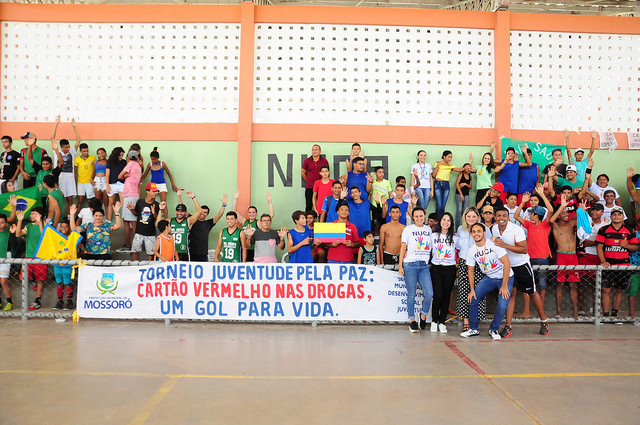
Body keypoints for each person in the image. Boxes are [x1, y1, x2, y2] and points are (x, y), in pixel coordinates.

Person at [491, 207, 549, 338]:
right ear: (495, 217)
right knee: (511, 293)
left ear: (508, 217)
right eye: (499, 215)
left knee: (532, 292)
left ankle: (544, 321)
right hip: (507, 267)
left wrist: (504, 245)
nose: (501, 218)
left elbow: (524, 249)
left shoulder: (516, 230)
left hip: (521, 265)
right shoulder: (494, 229)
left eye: (504, 216)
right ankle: (508, 326)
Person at [460, 222, 514, 340]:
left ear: (484, 233)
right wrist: (472, 290)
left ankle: (494, 329)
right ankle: (473, 328)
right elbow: (470, 271)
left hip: (505, 277)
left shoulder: (494, 244)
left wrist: (504, 286)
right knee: (473, 299)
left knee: (502, 305)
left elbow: (507, 263)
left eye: (479, 231)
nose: (476, 234)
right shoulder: (472, 250)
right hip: (489, 277)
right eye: (474, 232)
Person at [514, 185, 554, 318]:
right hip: (529, 258)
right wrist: (523, 202)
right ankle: (526, 311)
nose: (529, 214)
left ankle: (539, 311)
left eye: (531, 213)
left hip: (542, 258)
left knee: (542, 286)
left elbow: (551, 209)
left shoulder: (545, 224)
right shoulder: (529, 224)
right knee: (527, 285)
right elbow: (515, 215)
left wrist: (542, 195)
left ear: (536, 216)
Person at [596, 206, 639, 317]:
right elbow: (599, 247)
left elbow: (635, 247)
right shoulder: (603, 230)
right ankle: (605, 316)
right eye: (614, 214)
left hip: (623, 265)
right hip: (608, 265)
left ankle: (614, 315)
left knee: (619, 290)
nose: (616, 216)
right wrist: (603, 261)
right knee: (605, 290)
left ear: (623, 217)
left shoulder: (630, 230)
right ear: (610, 216)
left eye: (619, 214)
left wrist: (626, 245)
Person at [398, 207, 433, 333]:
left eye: (421, 216)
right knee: (411, 294)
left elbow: (432, 248)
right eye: (416, 216)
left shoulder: (428, 229)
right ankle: (412, 319)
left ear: (425, 216)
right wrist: (400, 265)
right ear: (413, 217)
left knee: (429, 293)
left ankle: (423, 314)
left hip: (424, 266)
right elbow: (403, 247)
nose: (419, 218)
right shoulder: (408, 229)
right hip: (410, 265)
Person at [549, 194, 583, 317]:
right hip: (561, 256)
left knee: (574, 284)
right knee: (560, 284)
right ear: (558, 215)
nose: (566, 214)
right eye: (563, 212)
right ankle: (558, 311)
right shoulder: (556, 226)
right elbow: (551, 220)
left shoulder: (571, 224)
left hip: (573, 256)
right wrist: (561, 207)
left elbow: (578, 216)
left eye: (567, 212)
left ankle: (575, 311)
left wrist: (581, 209)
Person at [455, 207, 487, 332]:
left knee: (478, 291)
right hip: (464, 262)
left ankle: (475, 320)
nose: (471, 219)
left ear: (478, 217)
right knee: (464, 291)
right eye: (469, 216)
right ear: (465, 218)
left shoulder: (484, 229)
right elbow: (458, 246)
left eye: (474, 216)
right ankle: (466, 321)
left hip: (479, 263)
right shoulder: (460, 229)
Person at [429, 212, 457, 333]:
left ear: (451, 223)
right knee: (438, 295)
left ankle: (442, 321)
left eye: (449, 220)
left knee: (446, 296)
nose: (446, 222)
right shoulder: (433, 235)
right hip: (436, 268)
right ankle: (434, 321)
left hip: (450, 269)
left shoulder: (455, 237)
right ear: (440, 221)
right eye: (444, 219)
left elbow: (462, 250)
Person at [16, 207, 46, 310]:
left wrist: (40, 222)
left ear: (40, 215)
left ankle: (37, 300)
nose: (31, 216)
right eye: (31, 214)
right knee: (22, 277)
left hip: (41, 256)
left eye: (34, 214)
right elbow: (17, 234)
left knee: (40, 280)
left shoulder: (46, 225)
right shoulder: (28, 226)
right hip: (29, 255)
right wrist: (19, 220)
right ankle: (32, 279)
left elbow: (44, 236)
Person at [233, 191, 274, 262]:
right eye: (250, 212)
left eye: (253, 212)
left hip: (254, 250)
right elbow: (233, 212)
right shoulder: (244, 221)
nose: (251, 214)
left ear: (256, 213)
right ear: (247, 213)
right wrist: (235, 199)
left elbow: (271, 215)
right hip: (244, 249)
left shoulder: (258, 222)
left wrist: (269, 202)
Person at [51, 116, 81, 212]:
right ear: (61, 147)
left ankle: (69, 217)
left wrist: (74, 127)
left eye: (68, 147)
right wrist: (56, 124)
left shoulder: (72, 152)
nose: (68, 149)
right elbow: (52, 138)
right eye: (66, 147)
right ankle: (58, 218)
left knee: (70, 199)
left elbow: (78, 141)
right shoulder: (56, 152)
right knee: (58, 198)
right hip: (60, 177)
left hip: (70, 177)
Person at [140, 147, 179, 219]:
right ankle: (153, 218)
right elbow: (145, 175)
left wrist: (173, 185)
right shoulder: (150, 164)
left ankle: (166, 219)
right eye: (152, 159)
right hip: (153, 185)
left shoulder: (162, 164)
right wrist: (139, 182)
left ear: (158, 158)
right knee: (151, 201)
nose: (153, 161)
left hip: (162, 184)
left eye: (154, 159)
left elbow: (169, 174)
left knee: (163, 202)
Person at [118, 150, 144, 253]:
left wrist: (125, 176)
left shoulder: (130, 165)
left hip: (129, 195)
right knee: (133, 221)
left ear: (128, 157)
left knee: (127, 221)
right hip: (135, 195)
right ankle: (136, 245)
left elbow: (120, 176)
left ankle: (129, 246)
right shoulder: (138, 166)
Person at [188, 197, 227, 262]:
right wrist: (179, 196)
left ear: (207, 214)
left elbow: (219, 215)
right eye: (201, 211)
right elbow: (183, 212)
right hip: (191, 252)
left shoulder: (209, 223)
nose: (202, 213)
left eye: (205, 212)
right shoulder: (191, 220)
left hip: (202, 253)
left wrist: (224, 205)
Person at [129, 183, 161, 261]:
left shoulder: (157, 205)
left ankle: (148, 268)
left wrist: (154, 213)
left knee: (150, 253)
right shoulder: (140, 202)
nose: (156, 193)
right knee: (134, 251)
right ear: (147, 192)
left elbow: (157, 220)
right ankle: (134, 269)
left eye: (156, 191)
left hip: (150, 233)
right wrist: (131, 210)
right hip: (139, 232)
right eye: (153, 191)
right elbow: (137, 214)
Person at [52, 219, 78, 310]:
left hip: (68, 265)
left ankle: (69, 301)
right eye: (62, 227)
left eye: (66, 227)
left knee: (68, 283)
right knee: (59, 283)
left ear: (69, 228)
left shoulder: (71, 238)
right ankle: (60, 301)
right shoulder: (56, 238)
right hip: (57, 264)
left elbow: (78, 245)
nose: (64, 228)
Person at [170, 190, 203, 261]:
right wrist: (161, 209)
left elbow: (199, 211)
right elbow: (158, 223)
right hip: (171, 251)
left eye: (182, 211)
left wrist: (193, 198)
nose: (179, 213)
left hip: (184, 251)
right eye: (178, 211)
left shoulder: (188, 221)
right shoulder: (170, 221)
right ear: (175, 211)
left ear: (185, 212)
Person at [431, 150, 466, 218]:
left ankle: (442, 220)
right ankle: (438, 221)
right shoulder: (438, 163)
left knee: (443, 205)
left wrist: (467, 166)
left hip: (446, 185)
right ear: (444, 157)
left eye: (451, 157)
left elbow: (459, 170)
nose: (450, 159)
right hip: (438, 184)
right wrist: (438, 165)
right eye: (448, 157)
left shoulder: (451, 166)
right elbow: (434, 175)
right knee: (439, 205)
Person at [302, 144, 329, 212]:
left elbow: (327, 172)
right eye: (313, 150)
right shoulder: (307, 161)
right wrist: (308, 181)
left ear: (320, 151)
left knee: (322, 205)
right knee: (309, 205)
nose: (314, 151)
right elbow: (303, 172)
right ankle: (308, 222)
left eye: (316, 149)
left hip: (321, 187)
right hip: (310, 187)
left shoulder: (324, 161)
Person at [104, 147, 126, 221]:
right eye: (120, 155)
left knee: (123, 203)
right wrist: (107, 185)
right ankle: (108, 221)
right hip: (112, 184)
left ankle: (126, 220)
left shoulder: (124, 162)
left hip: (121, 184)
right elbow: (107, 174)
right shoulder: (110, 162)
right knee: (111, 203)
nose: (121, 157)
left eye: (122, 155)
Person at [371, 166, 393, 234]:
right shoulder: (372, 183)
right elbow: (370, 194)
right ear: (375, 173)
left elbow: (390, 194)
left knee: (384, 222)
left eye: (382, 172)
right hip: (375, 205)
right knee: (376, 223)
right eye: (379, 172)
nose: (381, 174)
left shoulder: (387, 182)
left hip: (385, 205)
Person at [74, 142, 96, 210]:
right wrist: (74, 183)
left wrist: (92, 178)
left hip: (89, 182)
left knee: (90, 201)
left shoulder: (92, 158)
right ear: (80, 151)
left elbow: (95, 170)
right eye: (84, 151)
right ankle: (78, 217)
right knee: (80, 200)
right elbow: (75, 171)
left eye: (87, 151)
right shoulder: (77, 159)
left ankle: (91, 216)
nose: (86, 152)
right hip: (81, 182)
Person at [0, 214, 14, 311]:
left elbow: (15, 245)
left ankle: (9, 302)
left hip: (5, 257)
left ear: (6, 223)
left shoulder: (9, 233)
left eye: (1, 222)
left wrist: (13, 234)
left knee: (4, 281)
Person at [455, 162, 473, 228]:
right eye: (467, 168)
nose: (468, 169)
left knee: (465, 212)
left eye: (469, 168)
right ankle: (457, 228)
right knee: (459, 211)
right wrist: (461, 195)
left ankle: (464, 227)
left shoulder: (470, 176)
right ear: (464, 169)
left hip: (466, 194)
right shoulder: (461, 174)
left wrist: (465, 184)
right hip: (459, 194)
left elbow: (471, 186)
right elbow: (457, 184)